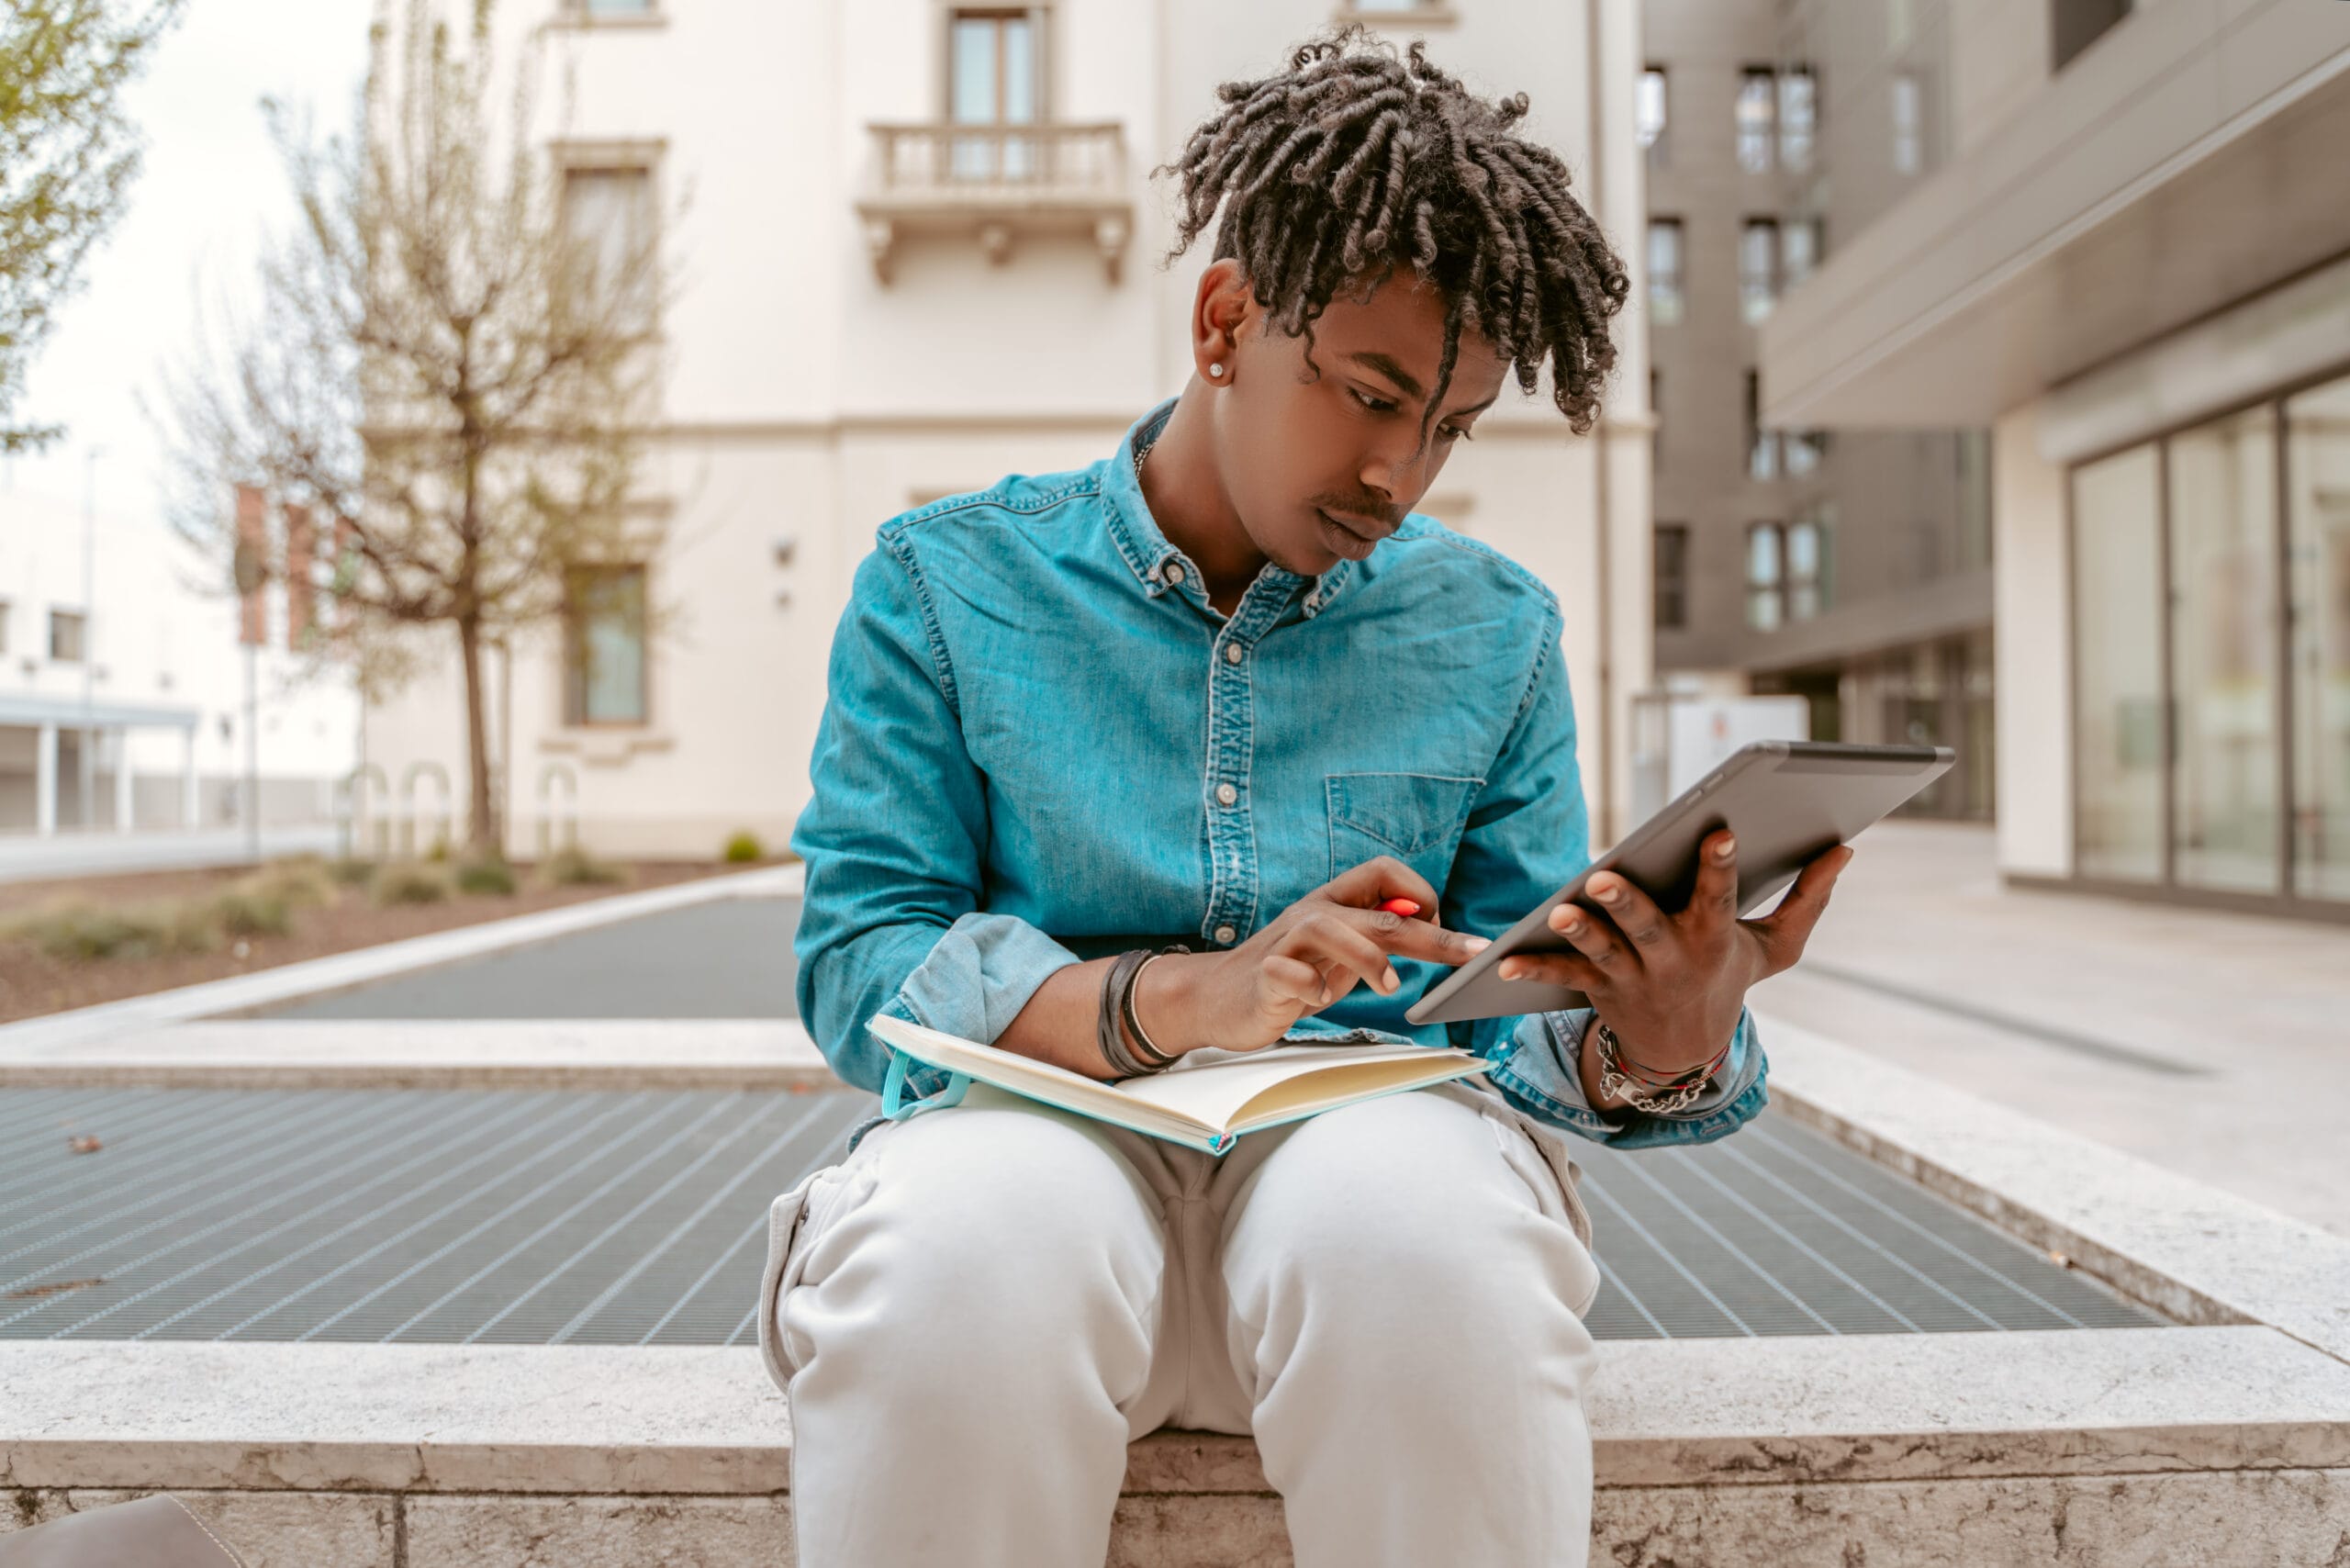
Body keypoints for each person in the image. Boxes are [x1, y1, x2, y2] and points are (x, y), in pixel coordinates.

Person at [763, 28, 1852, 1568]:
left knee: (1422, 1240)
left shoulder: (1495, 630)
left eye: (1451, 423)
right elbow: (861, 963)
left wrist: (1649, 1042)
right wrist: (1179, 1001)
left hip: (1363, 1191)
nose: (1400, 472)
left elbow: (1511, 1000)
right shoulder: (945, 586)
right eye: (1369, 392)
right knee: (960, 1259)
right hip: (1033, 1172)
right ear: (1225, 322)